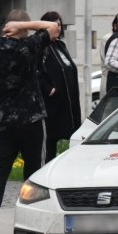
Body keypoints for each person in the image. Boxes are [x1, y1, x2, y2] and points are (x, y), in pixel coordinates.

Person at [0, 10, 60, 234]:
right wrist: (27, 24)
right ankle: (34, 216)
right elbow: (52, 27)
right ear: (21, 27)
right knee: (35, 169)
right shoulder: (28, 46)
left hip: (1, 119)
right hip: (30, 118)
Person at [38, 11, 82, 162]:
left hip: (68, 101)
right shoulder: (40, 47)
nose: (58, 28)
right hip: (53, 102)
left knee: (74, 134)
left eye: (60, 25)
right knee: (51, 138)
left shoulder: (60, 45)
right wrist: (49, 89)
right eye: (54, 25)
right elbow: (36, 71)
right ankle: (46, 167)